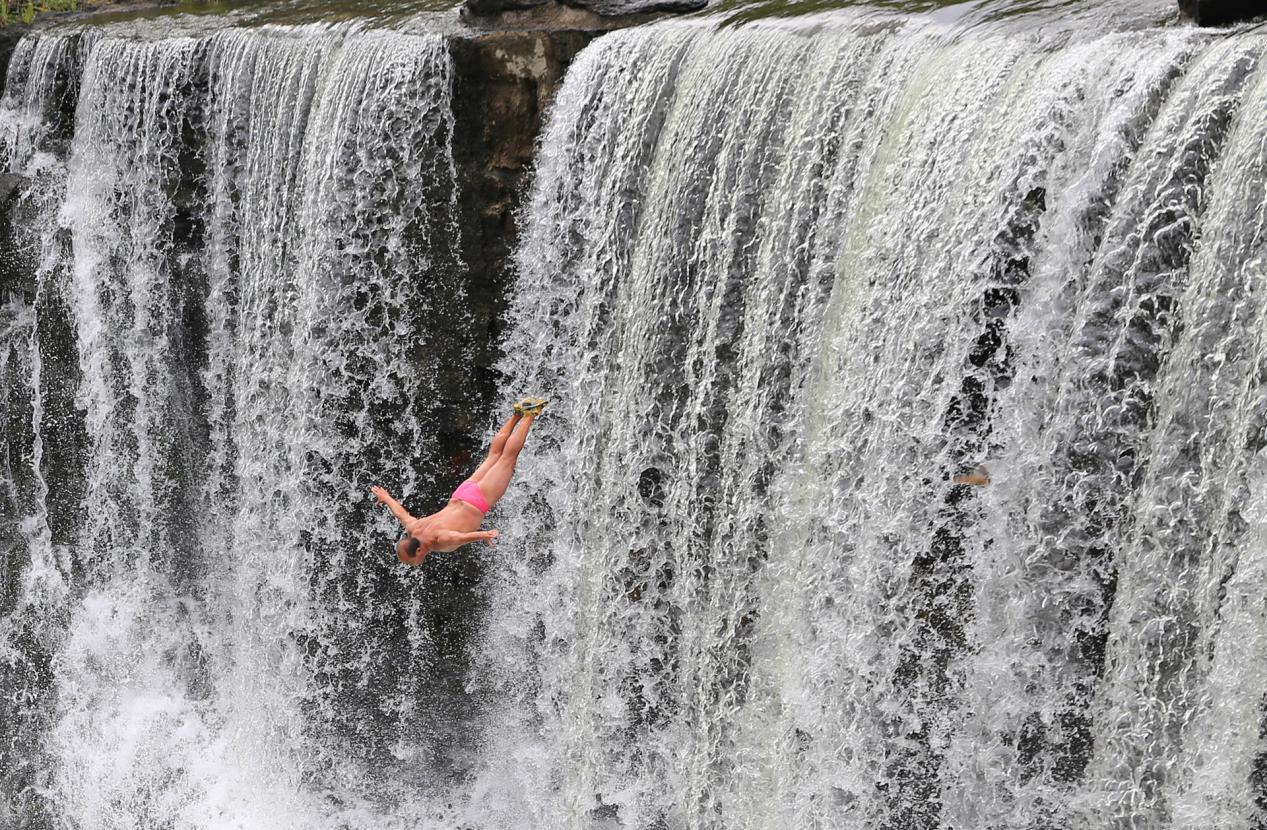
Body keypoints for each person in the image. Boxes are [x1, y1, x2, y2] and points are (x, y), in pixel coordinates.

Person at [372, 398, 546, 566]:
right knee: (493, 455)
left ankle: (529, 414)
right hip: (461, 493)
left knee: (507, 459)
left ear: (418, 552)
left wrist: (484, 535)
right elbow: (402, 514)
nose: (412, 565)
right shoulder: (414, 529)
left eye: (410, 562)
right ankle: (516, 414)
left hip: (477, 501)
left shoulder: (438, 541)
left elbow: (460, 538)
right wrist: (386, 498)